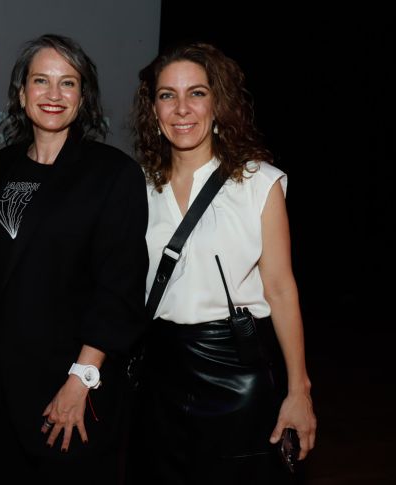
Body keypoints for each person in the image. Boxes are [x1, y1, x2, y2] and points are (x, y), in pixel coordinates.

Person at [127, 42, 317, 484]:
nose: (181, 108)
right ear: (153, 110)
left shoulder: (258, 183)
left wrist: (298, 390)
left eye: (196, 93)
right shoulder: (136, 186)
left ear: (218, 104)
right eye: (167, 95)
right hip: (158, 373)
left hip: (235, 371)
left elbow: (280, 288)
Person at [0, 34, 148, 484]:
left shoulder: (113, 174)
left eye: (67, 83)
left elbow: (121, 286)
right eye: (41, 81)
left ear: (83, 96)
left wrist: (80, 380)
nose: (53, 95)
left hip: (71, 381)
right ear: (21, 93)